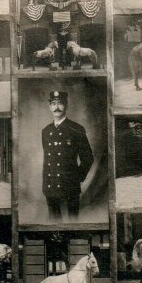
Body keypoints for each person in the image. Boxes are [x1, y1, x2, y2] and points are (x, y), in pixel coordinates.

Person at [41, 91, 94, 222]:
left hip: (70, 184)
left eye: (60, 103)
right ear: (49, 107)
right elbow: (48, 159)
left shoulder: (76, 129)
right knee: (54, 225)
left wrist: (77, 177)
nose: (56, 107)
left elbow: (88, 158)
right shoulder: (46, 131)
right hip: (51, 184)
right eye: (53, 104)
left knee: (73, 223)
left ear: (66, 106)